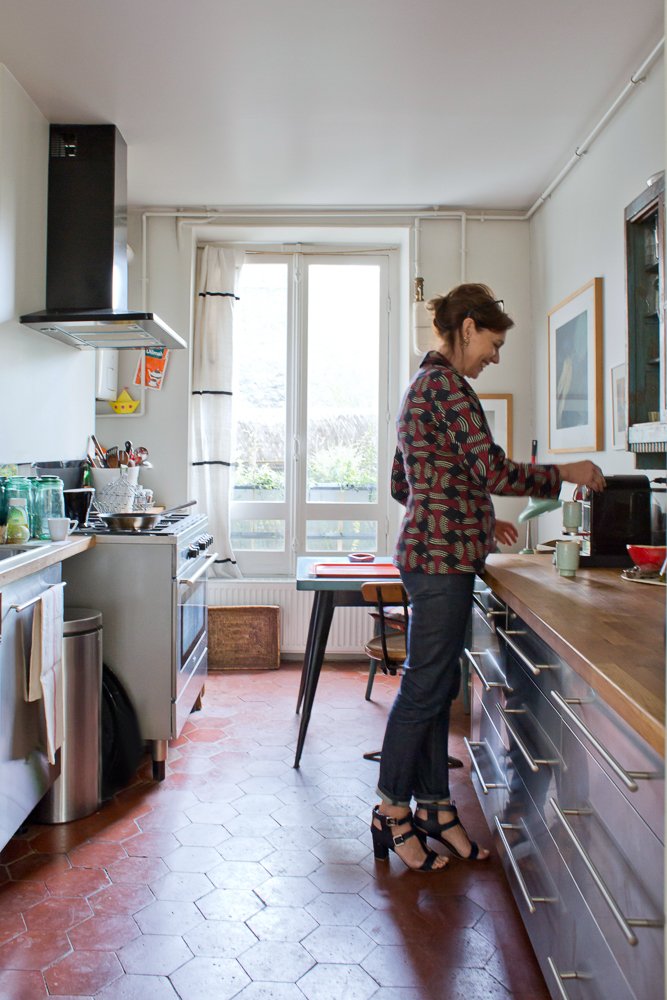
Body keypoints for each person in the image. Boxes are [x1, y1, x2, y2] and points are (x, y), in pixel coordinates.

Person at [370, 283, 605, 872]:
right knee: (425, 689)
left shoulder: (422, 386)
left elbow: (406, 485)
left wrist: (470, 513)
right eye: (494, 343)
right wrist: (566, 473)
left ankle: (436, 810)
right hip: (440, 562)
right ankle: (391, 811)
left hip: (433, 554)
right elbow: (493, 468)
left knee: (433, 688)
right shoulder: (448, 387)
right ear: (469, 327)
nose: (495, 356)